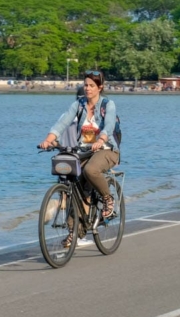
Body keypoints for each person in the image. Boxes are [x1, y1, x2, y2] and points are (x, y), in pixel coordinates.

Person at [39, 71, 120, 247]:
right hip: (83, 151)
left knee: (90, 170)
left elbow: (109, 125)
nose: (88, 88)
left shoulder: (108, 104)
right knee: (74, 184)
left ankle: (108, 199)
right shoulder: (79, 104)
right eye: (86, 85)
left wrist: (101, 140)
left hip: (107, 150)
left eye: (92, 85)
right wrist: (48, 139)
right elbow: (62, 123)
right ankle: (74, 231)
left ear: (100, 87)